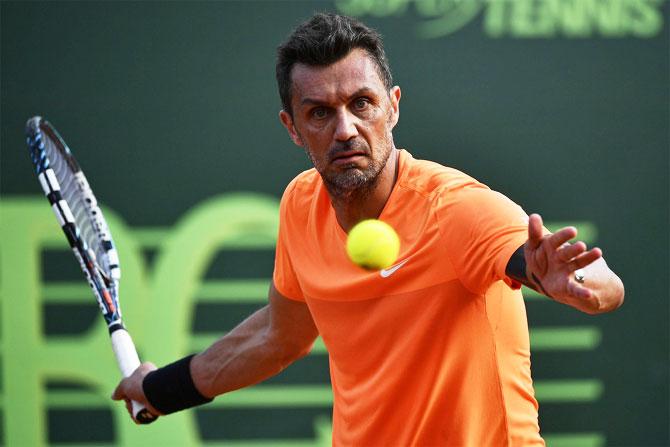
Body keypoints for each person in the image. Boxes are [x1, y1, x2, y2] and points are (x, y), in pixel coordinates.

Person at [112, 13, 624, 446]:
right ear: (292, 128)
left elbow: (603, 284)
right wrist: (161, 390)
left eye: (362, 103)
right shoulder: (299, 206)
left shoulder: (457, 209)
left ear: (392, 105)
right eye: (319, 113)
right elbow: (277, 335)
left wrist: (571, 283)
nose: (345, 129)